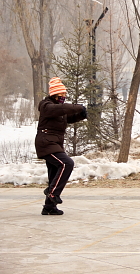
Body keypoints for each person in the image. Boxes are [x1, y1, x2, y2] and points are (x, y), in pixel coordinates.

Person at [35, 77, 87, 215]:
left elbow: (66, 118)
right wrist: (78, 106)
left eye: (65, 95)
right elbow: (62, 109)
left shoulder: (57, 109)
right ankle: (52, 193)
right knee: (66, 164)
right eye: (62, 95)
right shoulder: (46, 106)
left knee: (54, 174)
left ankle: (49, 207)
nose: (64, 97)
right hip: (46, 143)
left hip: (54, 143)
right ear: (55, 94)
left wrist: (81, 115)